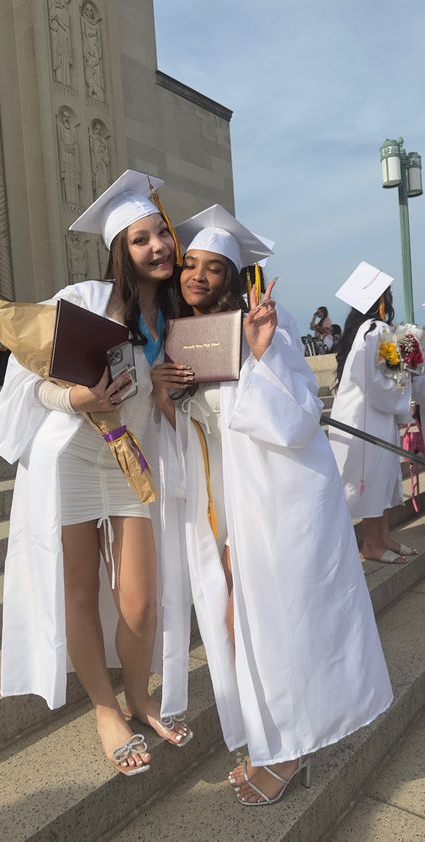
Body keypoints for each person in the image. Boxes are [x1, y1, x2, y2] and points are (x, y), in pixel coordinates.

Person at [151, 205, 393, 806]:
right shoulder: (187, 340)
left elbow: (295, 422)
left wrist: (256, 356)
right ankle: (272, 743)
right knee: (242, 625)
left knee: (277, 625)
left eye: (213, 269)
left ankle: (287, 754)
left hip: (281, 503)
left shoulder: (269, 334)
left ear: (234, 280)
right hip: (233, 503)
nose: (197, 277)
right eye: (190, 265)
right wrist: (170, 392)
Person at [0, 170, 192, 777]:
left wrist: (165, 391)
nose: (157, 246)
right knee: (79, 587)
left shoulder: (181, 321)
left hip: (134, 457)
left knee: (139, 597)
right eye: (140, 240)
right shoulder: (81, 299)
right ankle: (106, 709)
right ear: (120, 252)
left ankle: (139, 691)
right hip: (75, 453)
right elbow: (34, 382)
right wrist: (79, 399)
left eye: (162, 233)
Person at [330, 265, 415, 564]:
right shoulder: (378, 331)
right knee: (374, 479)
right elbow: (387, 382)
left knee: (382, 480)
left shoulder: (361, 332)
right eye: (388, 296)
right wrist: (407, 394)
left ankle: (383, 538)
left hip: (366, 415)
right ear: (381, 301)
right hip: (371, 419)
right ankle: (371, 545)